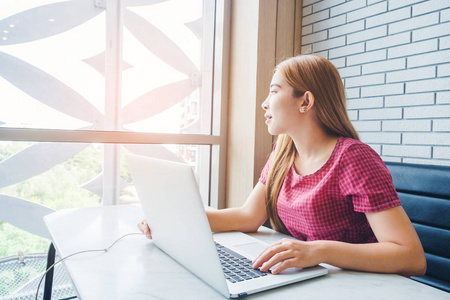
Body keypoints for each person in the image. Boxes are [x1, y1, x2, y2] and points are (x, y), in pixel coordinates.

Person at [138, 54, 426, 277]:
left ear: (306, 101)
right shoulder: (282, 152)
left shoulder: (353, 158)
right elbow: (248, 216)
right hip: (314, 277)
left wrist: (317, 250)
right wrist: (174, 219)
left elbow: (411, 259)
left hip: (357, 284)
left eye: (274, 92)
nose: (264, 103)